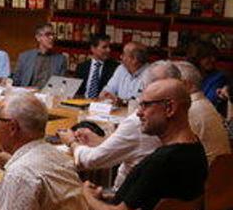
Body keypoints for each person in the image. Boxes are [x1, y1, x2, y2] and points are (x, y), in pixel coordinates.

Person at [84, 79, 208, 210]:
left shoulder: (162, 162)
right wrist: (103, 197)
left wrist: (84, 195)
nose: (138, 112)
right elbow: (147, 198)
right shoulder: (195, 148)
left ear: (169, 108)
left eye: (145, 105)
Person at [58, 61, 179, 191]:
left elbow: (91, 161)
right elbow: (139, 147)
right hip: (152, 197)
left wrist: (71, 142)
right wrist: (103, 142)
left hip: (122, 198)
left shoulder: (139, 122)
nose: (139, 111)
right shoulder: (180, 114)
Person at [173, 61, 230, 164]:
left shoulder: (190, 110)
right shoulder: (203, 103)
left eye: (171, 84)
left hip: (205, 176)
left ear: (185, 84)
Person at [12, 23, 67, 88]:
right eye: (48, 34)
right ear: (38, 38)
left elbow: (61, 85)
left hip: (48, 96)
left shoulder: (60, 59)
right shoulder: (24, 57)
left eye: (53, 35)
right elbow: (15, 82)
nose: (52, 38)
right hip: (27, 94)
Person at [187, 40, 228, 115]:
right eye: (207, 57)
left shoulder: (219, 77)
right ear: (196, 58)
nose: (213, 59)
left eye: (214, 56)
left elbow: (209, 102)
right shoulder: (188, 73)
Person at [75, 33, 119, 98]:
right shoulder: (82, 67)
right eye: (104, 47)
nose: (108, 50)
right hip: (82, 103)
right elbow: (77, 91)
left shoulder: (115, 68)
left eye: (109, 47)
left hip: (102, 104)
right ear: (93, 48)